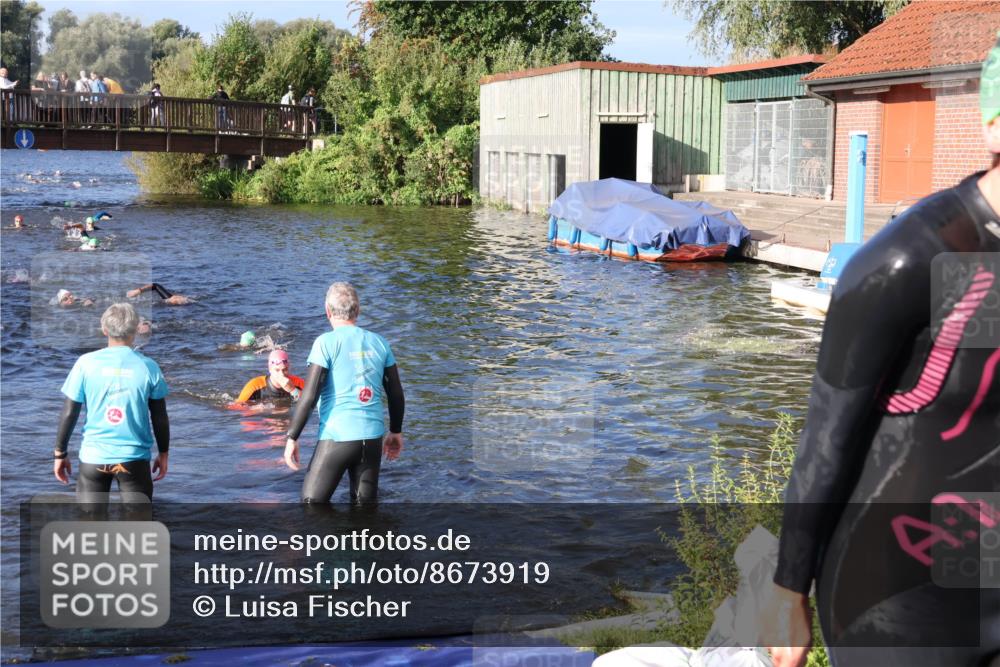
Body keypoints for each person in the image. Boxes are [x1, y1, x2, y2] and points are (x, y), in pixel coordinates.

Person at [764, 38, 1000, 667]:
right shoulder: (912, 260)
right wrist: (788, 592)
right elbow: (825, 441)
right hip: (898, 594)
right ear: (994, 123)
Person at [284, 282, 405, 504]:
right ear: (357, 311)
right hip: (372, 439)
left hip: (337, 437)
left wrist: (292, 437)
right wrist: (395, 431)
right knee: (365, 510)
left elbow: (310, 396)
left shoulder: (325, 343)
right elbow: (396, 393)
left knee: (312, 505)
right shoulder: (380, 343)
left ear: (327, 311)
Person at [54, 303, 169, 502]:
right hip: (134, 459)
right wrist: (164, 453)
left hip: (93, 458)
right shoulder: (149, 367)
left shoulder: (85, 363)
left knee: (90, 524)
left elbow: (70, 412)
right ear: (135, 331)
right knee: (138, 526)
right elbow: (159, 416)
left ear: (104, 329)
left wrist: (60, 454)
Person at [236, 349, 305, 403]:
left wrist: (293, 390)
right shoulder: (255, 386)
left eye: (285, 370)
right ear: (270, 369)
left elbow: (312, 401)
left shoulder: (298, 383)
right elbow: (236, 407)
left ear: (289, 368)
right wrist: (256, 409)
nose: (282, 374)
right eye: (277, 370)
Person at [127, 283, 193, 305]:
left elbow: (155, 286)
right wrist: (138, 291)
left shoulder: (169, 299)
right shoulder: (170, 299)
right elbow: (155, 285)